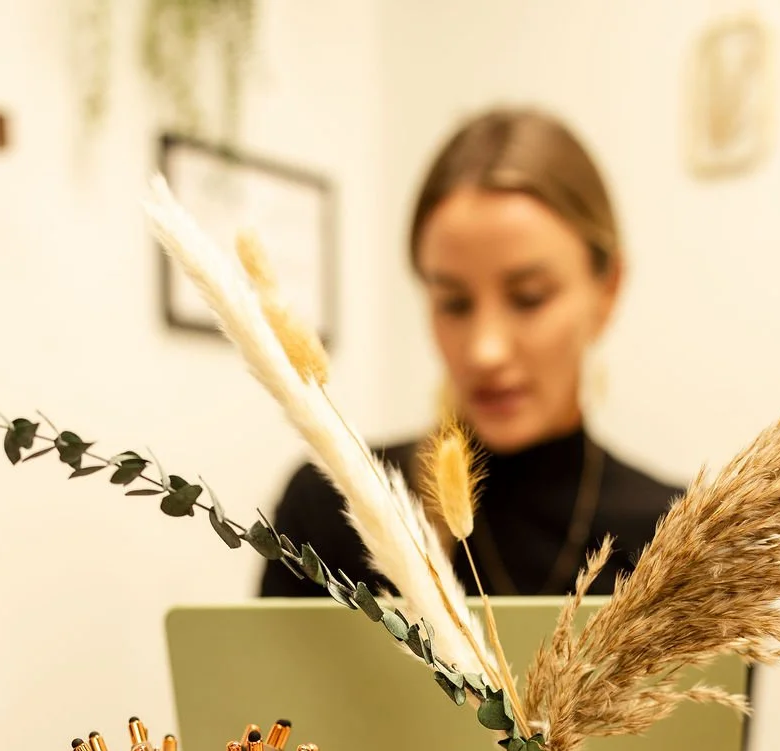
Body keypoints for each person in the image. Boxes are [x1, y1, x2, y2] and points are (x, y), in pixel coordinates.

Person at [261, 107, 683, 599]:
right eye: (454, 303)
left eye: (529, 297)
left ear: (606, 291)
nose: (484, 350)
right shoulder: (336, 508)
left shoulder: (681, 540)